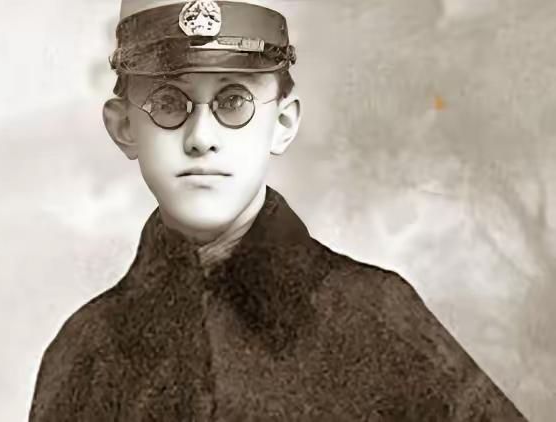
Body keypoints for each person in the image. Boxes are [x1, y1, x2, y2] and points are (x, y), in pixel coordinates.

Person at [28, 0, 528, 420]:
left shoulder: (374, 314)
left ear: (283, 123)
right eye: (168, 103)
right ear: (124, 128)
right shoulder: (86, 350)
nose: (201, 137)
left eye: (233, 102)